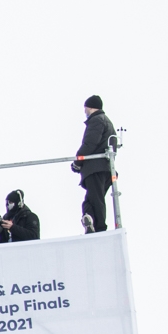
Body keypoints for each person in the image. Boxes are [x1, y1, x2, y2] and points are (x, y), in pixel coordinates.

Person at [71, 95, 117, 233]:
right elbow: (113, 148)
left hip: (95, 168)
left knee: (96, 200)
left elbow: (90, 143)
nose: (84, 111)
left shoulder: (96, 120)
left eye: (85, 108)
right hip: (105, 168)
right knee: (90, 200)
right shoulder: (108, 122)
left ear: (90, 107)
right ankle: (89, 219)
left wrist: (77, 162)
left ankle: (100, 228)